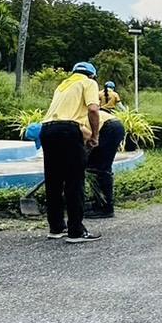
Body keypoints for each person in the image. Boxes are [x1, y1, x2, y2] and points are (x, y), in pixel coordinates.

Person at [40, 62, 101, 243]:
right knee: (74, 181)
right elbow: (92, 109)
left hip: (47, 130)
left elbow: (64, 117)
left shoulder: (63, 85)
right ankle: (76, 231)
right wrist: (95, 136)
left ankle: (56, 227)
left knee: (53, 181)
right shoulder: (88, 82)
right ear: (91, 75)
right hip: (68, 131)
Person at [86, 107, 127, 217]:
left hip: (109, 128)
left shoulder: (71, 121)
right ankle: (100, 203)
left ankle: (106, 208)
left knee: (99, 168)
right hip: (111, 126)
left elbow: (86, 139)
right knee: (94, 168)